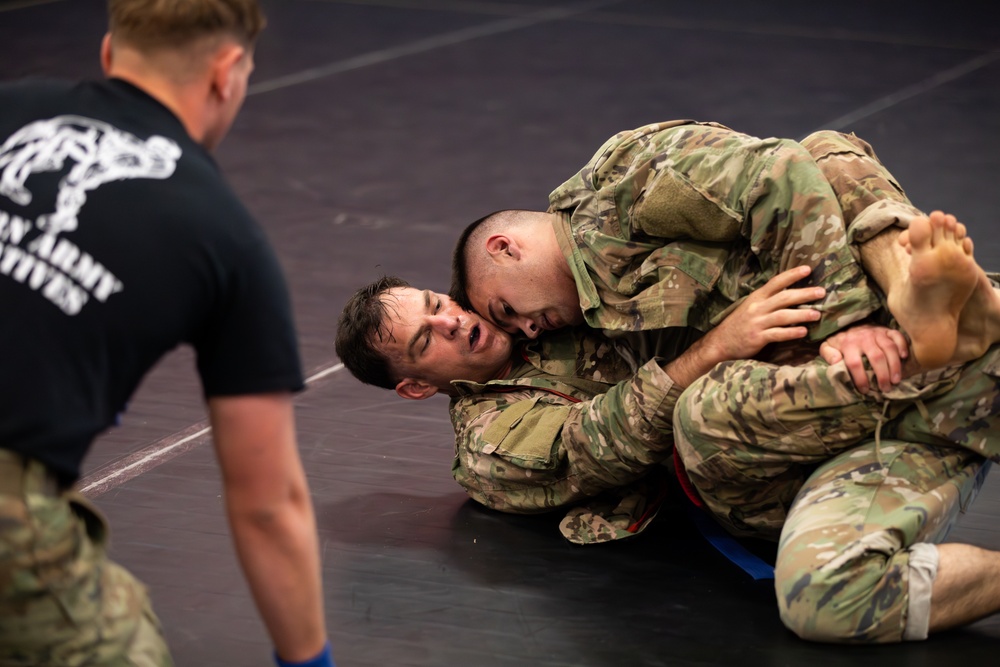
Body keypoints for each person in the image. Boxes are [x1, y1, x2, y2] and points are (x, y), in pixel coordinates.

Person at [334, 273, 1000, 642]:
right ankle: (960, 361)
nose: (452, 319)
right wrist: (716, 345)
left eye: (437, 303)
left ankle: (958, 351)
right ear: (417, 385)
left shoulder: (522, 285)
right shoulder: (489, 440)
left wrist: (845, 314)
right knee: (821, 599)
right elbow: (602, 439)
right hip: (813, 463)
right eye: (427, 338)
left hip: (855, 362)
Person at [0, 2, 332, 666]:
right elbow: (268, 502)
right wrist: (309, 661)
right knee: (132, 643)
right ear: (227, 72)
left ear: (107, 54)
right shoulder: (228, 237)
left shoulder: (9, 102)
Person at [450, 121, 1000, 372]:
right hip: (810, 346)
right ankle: (944, 303)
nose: (523, 329)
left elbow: (777, 171)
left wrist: (845, 322)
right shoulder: (588, 316)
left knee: (824, 152)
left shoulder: (621, 190)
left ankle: (908, 286)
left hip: (843, 307)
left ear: (504, 248)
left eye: (506, 310)